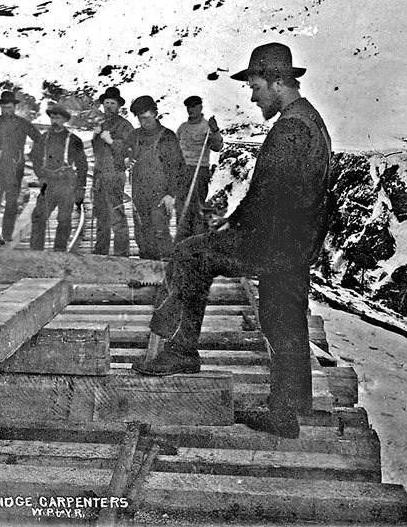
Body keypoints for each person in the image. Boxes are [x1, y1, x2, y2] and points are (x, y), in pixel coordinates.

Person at [133, 43, 333, 440]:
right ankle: (288, 411)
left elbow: (269, 194)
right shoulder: (310, 119)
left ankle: (181, 350)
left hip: (275, 240)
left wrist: (234, 230)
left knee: (190, 253)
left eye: (257, 86)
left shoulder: (290, 128)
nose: (254, 96)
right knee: (283, 320)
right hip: (295, 242)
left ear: (278, 82)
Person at [0, 90, 41, 247]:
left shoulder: (22, 123)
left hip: (15, 167)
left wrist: (31, 154)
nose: (6, 111)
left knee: (11, 202)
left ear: (15, 107)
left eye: (9, 108)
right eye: (4, 108)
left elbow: (39, 139)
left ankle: (7, 234)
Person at [128, 95, 185, 261]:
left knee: (160, 233)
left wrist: (171, 194)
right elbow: (122, 153)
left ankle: (166, 276)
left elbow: (177, 167)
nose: (143, 122)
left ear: (155, 114)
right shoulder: (135, 135)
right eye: (140, 119)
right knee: (142, 233)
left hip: (160, 195)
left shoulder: (167, 136)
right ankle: (146, 272)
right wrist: (125, 158)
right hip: (139, 194)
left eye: (146, 118)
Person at [29, 104, 88, 251]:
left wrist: (81, 188)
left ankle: (59, 252)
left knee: (64, 219)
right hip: (48, 182)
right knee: (38, 216)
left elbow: (82, 165)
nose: (55, 121)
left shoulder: (74, 139)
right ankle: (36, 253)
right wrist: (40, 175)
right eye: (53, 118)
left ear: (64, 120)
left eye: (58, 118)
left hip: (66, 181)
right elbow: (34, 157)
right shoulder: (43, 138)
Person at [91, 87, 134, 256]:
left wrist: (110, 141)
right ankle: (100, 251)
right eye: (106, 103)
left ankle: (121, 254)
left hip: (115, 174)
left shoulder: (124, 125)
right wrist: (96, 138)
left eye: (112, 103)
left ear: (118, 106)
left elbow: (130, 149)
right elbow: (97, 152)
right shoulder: (101, 124)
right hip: (100, 174)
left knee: (116, 214)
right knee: (101, 215)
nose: (108, 106)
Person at [175, 95, 224, 241]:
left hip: (199, 170)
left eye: (194, 107)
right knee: (181, 205)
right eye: (189, 107)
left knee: (197, 207)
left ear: (200, 107)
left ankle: (196, 241)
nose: (191, 110)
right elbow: (175, 148)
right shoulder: (183, 127)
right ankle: (181, 241)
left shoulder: (207, 127)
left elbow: (217, 147)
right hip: (183, 171)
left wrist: (215, 131)